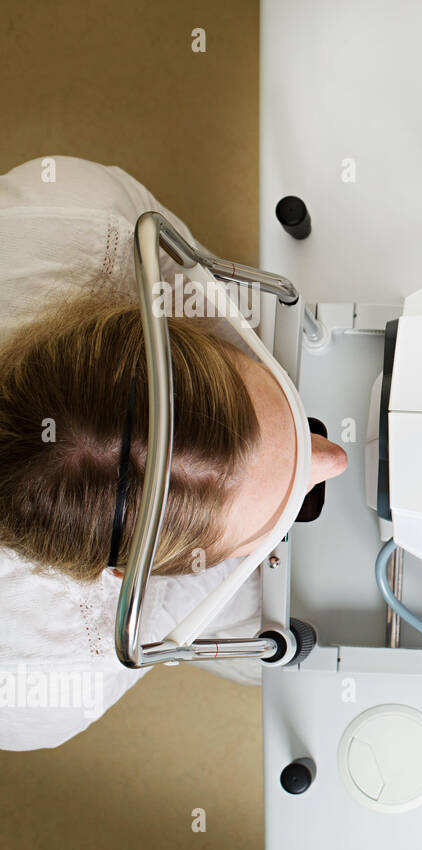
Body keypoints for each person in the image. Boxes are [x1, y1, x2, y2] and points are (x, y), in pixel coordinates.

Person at [0, 157, 348, 749]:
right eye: (288, 501)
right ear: (120, 577)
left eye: (293, 418)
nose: (334, 458)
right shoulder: (38, 679)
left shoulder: (76, 214)